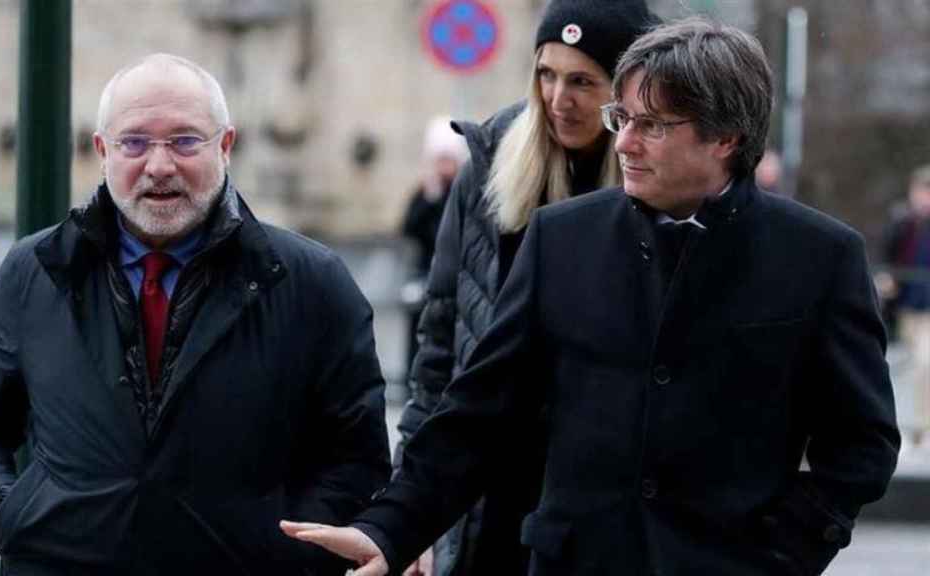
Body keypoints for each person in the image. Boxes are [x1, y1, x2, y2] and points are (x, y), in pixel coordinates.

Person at [282, 18, 900, 576]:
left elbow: (863, 443)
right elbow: (477, 413)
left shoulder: (820, 258)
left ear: (726, 139)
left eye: (652, 126)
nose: (625, 143)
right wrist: (389, 529)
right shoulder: (561, 238)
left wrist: (786, 551)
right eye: (622, 119)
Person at [0, 53, 390, 575]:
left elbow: (356, 452)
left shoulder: (311, 282)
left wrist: (293, 550)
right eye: (134, 142)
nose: (159, 166)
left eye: (185, 141)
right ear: (102, 151)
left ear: (226, 145)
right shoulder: (36, 271)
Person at [393, 1, 658, 574]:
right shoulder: (489, 172)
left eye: (584, 81)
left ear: (630, 90)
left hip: (603, 513)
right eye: (546, 73)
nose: (559, 98)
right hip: (489, 499)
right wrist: (409, 514)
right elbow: (440, 355)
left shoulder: (659, 186)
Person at [399, 116, 467, 374]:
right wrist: (429, 197)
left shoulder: (462, 191)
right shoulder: (426, 193)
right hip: (424, 275)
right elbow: (409, 229)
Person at [879, 164, 930, 452]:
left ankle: (921, 430)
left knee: (925, 363)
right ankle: (915, 428)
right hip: (908, 308)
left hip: (927, 310)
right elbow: (888, 257)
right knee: (912, 366)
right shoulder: (904, 224)